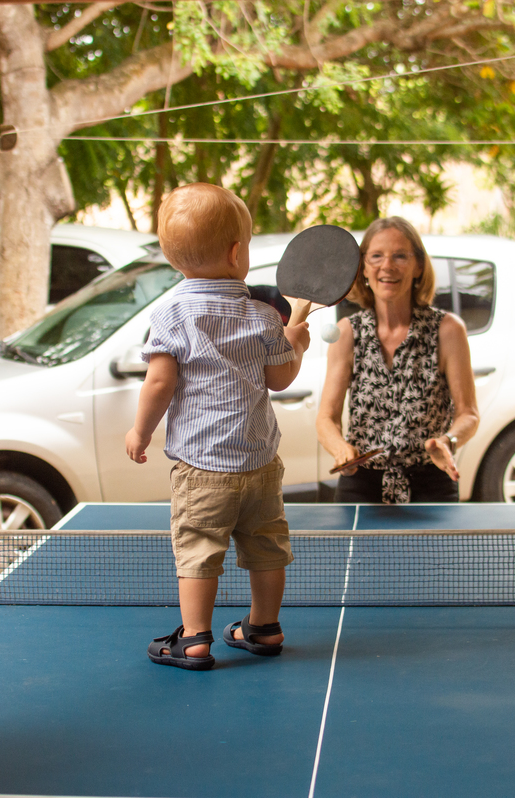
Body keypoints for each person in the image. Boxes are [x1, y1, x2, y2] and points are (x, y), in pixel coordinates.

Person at [125, 183, 311, 670]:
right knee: (266, 547)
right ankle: (265, 627)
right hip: (260, 464)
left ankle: (195, 638)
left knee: (199, 550)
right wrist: (297, 343)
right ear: (237, 252)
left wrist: (140, 432)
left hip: (203, 467)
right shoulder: (262, 314)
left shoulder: (170, 312)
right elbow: (279, 378)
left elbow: (159, 383)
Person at [316, 217, 479, 504]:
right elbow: (326, 418)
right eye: (376, 256)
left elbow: (469, 414)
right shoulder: (347, 333)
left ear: (418, 266)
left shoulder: (449, 330)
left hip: (432, 485)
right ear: (364, 267)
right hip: (361, 486)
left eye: (400, 256)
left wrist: (447, 441)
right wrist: (341, 449)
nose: (387, 266)